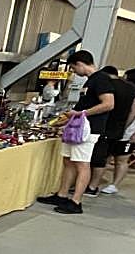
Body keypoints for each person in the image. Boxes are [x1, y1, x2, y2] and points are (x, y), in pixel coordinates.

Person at [37, 50, 115, 215]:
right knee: (68, 161)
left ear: (80, 64)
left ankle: (76, 201)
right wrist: (65, 119)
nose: (74, 72)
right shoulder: (90, 81)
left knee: (82, 164)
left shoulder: (101, 79)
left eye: (73, 68)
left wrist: (82, 113)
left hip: (88, 129)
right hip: (76, 127)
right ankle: (62, 194)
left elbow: (108, 104)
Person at [88, 67, 135, 197]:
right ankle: (92, 185)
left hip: (104, 127)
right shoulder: (131, 88)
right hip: (118, 129)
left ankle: (92, 187)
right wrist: (124, 125)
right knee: (106, 157)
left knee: (98, 159)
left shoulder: (108, 86)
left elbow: (105, 105)